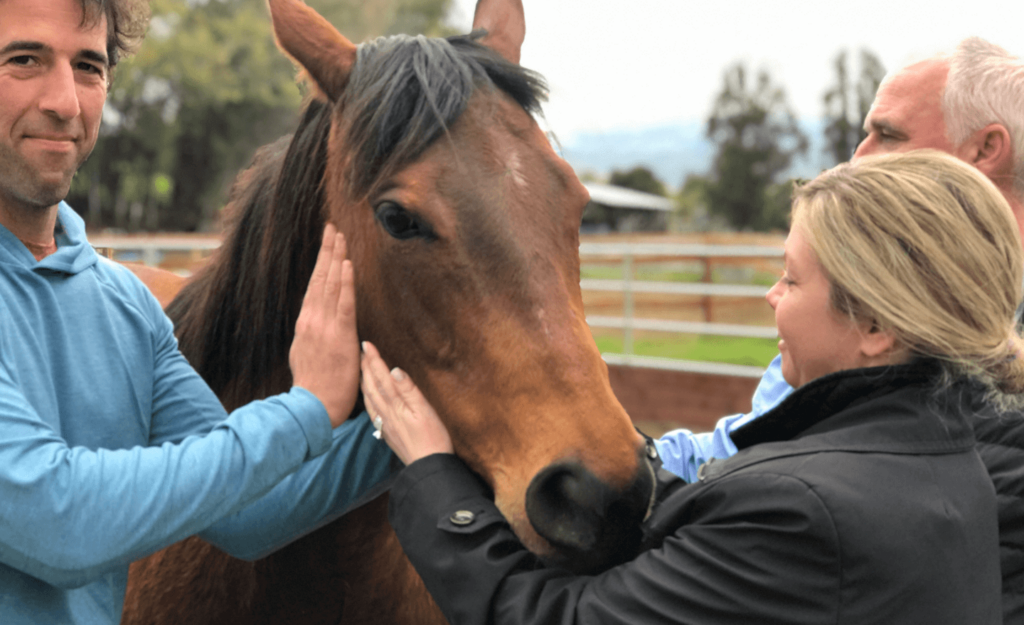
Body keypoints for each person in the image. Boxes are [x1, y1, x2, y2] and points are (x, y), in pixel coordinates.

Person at [362, 150, 1013, 624]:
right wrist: (593, 441)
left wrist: (433, 472)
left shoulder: (802, 512)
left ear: (875, 324)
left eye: (791, 280)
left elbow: (541, 617)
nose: (771, 297)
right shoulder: (946, 461)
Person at [0, 0, 390, 622]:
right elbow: (59, 523)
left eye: (88, 67)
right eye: (23, 60)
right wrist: (307, 409)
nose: (65, 102)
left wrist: (406, 423)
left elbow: (246, 514)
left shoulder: (123, 304)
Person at [656, 36, 1024, 621]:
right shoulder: (855, 318)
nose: (859, 155)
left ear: (986, 148)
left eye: (890, 135)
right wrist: (626, 462)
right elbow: (743, 445)